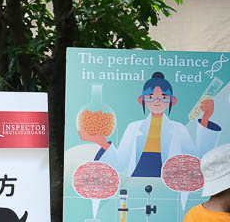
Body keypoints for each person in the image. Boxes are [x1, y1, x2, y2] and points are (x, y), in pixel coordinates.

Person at [79, 71, 221, 177]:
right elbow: (120, 164)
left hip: (169, 180)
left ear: (173, 100)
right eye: (152, 97)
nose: (157, 101)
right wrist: (100, 141)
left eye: (164, 97)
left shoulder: (178, 128)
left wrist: (206, 118)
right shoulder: (133, 127)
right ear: (142, 100)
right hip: (138, 177)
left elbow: (196, 160)